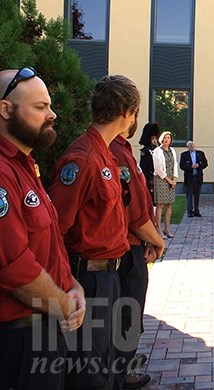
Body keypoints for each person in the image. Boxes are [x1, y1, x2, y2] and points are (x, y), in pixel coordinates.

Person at [49, 74, 139, 389]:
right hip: (88, 278)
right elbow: (53, 229)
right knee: (89, 372)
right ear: (127, 112)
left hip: (110, 276)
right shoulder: (83, 157)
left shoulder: (104, 153)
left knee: (110, 364)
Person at [0, 67, 85, 390]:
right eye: (39, 107)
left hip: (44, 325)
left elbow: (46, 247)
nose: (52, 115)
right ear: (6, 110)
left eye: (49, 106)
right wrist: (65, 303)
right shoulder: (3, 172)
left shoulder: (25, 166)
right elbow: (14, 268)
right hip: (19, 338)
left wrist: (72, 284)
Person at [109, 111, 166, 389]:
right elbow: (133, 211)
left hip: (131, 245)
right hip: (126, 248)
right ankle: (122, 370)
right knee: (128, 314)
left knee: (129, 311)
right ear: (127, 115)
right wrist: (157, 240)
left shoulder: (122, 149)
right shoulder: (115, 151)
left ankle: (123, 362)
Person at [152, 131, 178, 238]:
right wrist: (168, 180)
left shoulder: (172, 150)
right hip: (161, 179)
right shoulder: (157, 151)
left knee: (169, 204)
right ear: (161, 139)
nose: (167, 140)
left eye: (169, 138)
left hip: (172, 179)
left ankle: (167, 228)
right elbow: (158, 168)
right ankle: (158, 228)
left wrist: (175, 179)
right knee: (160, 204)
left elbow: (175, 164)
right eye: (165, 138)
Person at [180, 140, 208, 217]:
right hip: (189, 178)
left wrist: (199, 165)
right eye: (190, 146)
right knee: (189, 195)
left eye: (193, 145)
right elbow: (182, 166)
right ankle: (189, 211)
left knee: (197, 195)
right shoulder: (184, 155)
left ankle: (196, 210)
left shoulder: (200, 153)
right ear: (187, 147)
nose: (192, 147)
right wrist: (190, 167)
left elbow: (205, 163)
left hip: (198, 177)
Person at [138, 122, 159, 204]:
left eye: (156, 138)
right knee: (151, 201)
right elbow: (143, 167)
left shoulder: (158, 150)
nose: (155, 140)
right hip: (149, 177)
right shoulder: (146, 151)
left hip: (157, 177)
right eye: (153, 138)